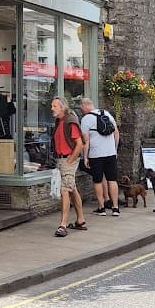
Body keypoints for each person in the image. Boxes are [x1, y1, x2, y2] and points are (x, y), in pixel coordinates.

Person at [51, 96, 87, 237]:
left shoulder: (70, 121)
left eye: (54, 106)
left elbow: (79, 144)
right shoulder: (59, 121)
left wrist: (70, 161)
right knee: (72, 189)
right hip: (61, 159)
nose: (52, 108)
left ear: (62, 107)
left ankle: (63, 224)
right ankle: (81, 220)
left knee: (64, 189)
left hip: (68, 160)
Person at [80, 97, 120, 216]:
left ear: (85, 105)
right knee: (112, 180)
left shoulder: (86, 119)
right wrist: (115, 149)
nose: (81, 109)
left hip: (96, 154)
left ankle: (101, 208)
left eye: (81, 107)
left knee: (97, 181)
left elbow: (86, 141)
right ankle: (115, 208)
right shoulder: (106, 113)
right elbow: (116, 133)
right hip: (110, 153)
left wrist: (85, 157)